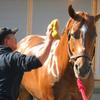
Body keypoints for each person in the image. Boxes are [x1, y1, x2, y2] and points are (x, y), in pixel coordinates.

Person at [0, 26, 54, 100]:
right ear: (6, 41)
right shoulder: (12, 58)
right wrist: (49, 41)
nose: (16, 40)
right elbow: (38, 61)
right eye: (13, 37)